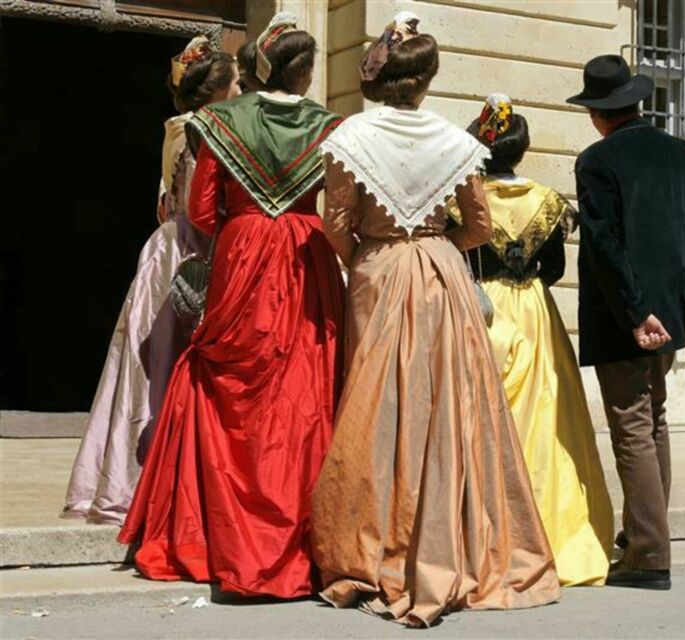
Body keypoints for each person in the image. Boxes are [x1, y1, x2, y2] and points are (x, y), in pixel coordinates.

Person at [309, 12, 560, 627]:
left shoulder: (351, 139)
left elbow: (334, 227)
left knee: (381, 407)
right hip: (443, 273)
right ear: (426, 80)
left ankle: (376, 546)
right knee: (449, 406)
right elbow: (477, 226)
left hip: (380, 272)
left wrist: (375, 252)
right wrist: (434, 235)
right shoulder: (458, 143)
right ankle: (455, 543)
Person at [118, 13, 346, 599]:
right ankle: (300, 537)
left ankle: (216, 533)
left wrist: (242, 226)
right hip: (305, 255)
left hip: (243, 252)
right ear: (307, 72)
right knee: (303, 389)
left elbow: (200, 212)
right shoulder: (331, 125)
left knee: (227, 381)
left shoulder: (217, 122)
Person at [63, 37, 239, 525]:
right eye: (237, 82)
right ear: (220, 89)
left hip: (164, 244)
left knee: (145, 363)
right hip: (193, 249)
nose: (243, 88)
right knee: (177, 361)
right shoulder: (208, 130)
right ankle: (170, 482)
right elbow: (205, 206)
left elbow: (167, 199)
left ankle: (131, 475)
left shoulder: (175, 127)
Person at [448, 94, 614, 586]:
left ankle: (487, 533)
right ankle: (554, 528)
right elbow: (557, 268)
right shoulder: (548, 200)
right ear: (521, 151)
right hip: (535, 310)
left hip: (486, 309)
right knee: (546, 417)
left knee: (486, 414)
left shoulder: (467, 198)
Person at [568, 54, 685, 590]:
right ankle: (642, 538)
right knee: (653, 420)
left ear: (596, 113)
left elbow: (605, 246)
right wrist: (669, 300)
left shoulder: (596, 162)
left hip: (623, 317)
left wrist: (635, 312)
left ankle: (649, 555)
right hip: (671, 314)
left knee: (632, 426)